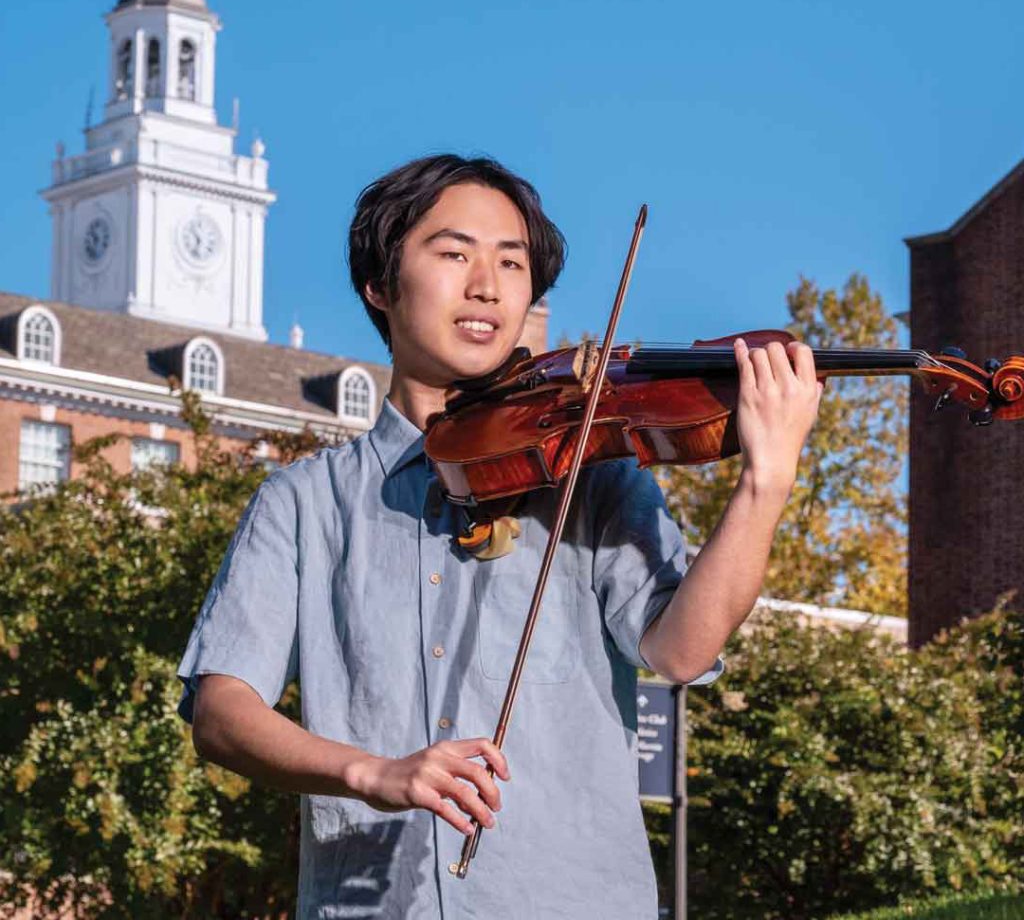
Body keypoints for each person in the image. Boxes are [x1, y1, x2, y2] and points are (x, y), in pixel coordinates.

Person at [177, 154, 823, 919]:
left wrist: (766, 483)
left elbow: (680, 651)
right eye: (453, 254)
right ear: (379, 287)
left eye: (511, 263)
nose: (487, 284)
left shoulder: (593, 473)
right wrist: (373, 774)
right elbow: (220, 709)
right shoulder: (302, 502)